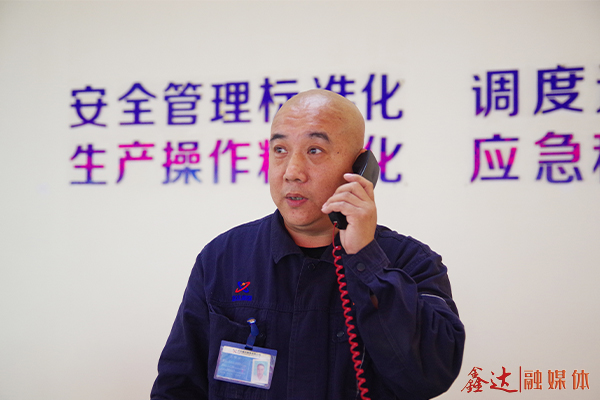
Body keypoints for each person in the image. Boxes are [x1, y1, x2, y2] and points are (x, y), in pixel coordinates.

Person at [151, 89, 465, 400]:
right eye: (280, 150)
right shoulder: (223, 258)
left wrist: (366, 260)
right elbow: (178, 388)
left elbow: (430, 375)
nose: (292, 172)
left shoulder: (411, 263)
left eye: (314, 150)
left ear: (359, 167)